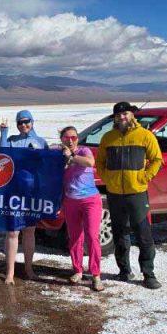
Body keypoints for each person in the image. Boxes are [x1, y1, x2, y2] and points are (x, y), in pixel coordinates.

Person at [94, 102, 164, 289]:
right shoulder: (108, 138)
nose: (122, 118)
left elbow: (157, 159)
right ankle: (124, 270)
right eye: (118, 115)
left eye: (125, 114)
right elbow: (100, 162)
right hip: (115, 193)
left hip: (137, 193)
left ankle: (148, 274)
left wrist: (144, 176)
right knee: (120, 234)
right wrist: (107, 177)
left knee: (143, 234)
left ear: (131, 115)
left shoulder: (144, 135)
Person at [0, 110, 48, 284]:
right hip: (14, 192)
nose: (23, 125)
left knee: (29, 231)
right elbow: (1, 152)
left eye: (26, 121)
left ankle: (28, 269)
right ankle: (10, 272)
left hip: (33, 194)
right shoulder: (12, 141)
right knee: (12, 232)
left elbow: (48, 166)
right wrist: (3, 132)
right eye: (20, 122)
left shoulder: (41, 142)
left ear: (32, 122)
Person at [59, 125, 103, 292]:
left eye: (74, 137)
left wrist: (72, 156)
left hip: (90, 200)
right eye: (66, 138)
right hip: (71, 201)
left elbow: (90, 163)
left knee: (92, 236)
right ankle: (77, 270)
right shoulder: (60, 155)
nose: (70, 140)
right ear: (61, 139)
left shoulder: (84, 151)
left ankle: (96, 274)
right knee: (75, 237)